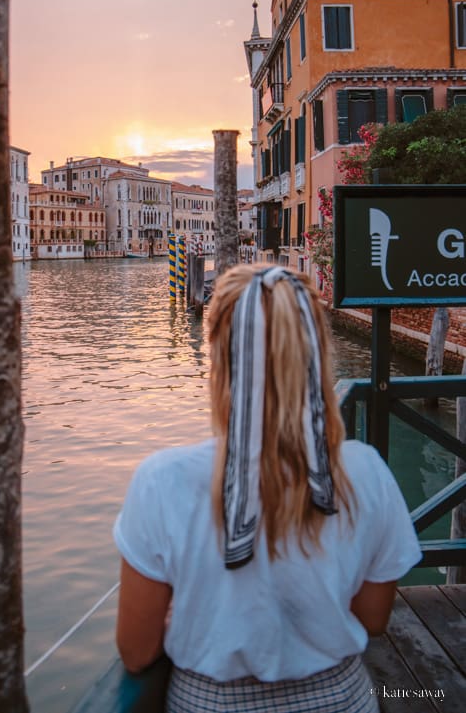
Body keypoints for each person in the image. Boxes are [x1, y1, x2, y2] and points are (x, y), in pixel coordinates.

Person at [113, 264, 421, 713]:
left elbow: (137, 651)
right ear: (316, 353)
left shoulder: (162, 481)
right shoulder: (367, 471)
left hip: (210, 703)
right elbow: (373, 619)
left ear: (219, 358)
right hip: (341, 700)